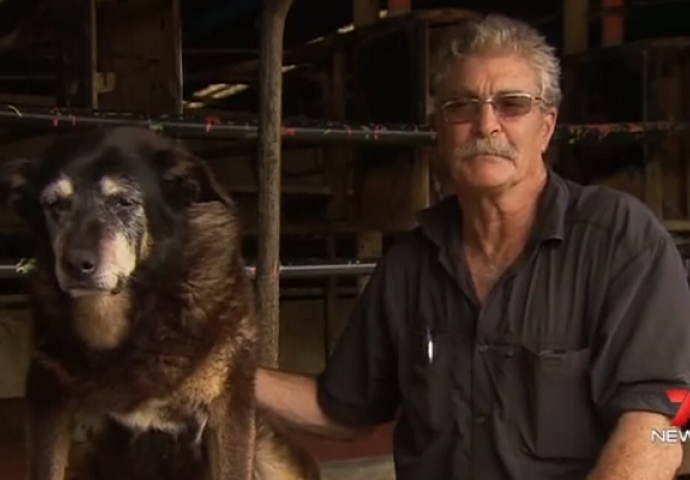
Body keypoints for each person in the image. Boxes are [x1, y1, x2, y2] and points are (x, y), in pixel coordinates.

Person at [255, 13, 690, 480]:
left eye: (512, 104)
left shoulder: (621, 243)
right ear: (439, 132)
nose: (486, 124)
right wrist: (225, 373)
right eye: (461, 106)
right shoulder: (409, 266)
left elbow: (661, 430)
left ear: (546, 126)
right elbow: (342, 409)